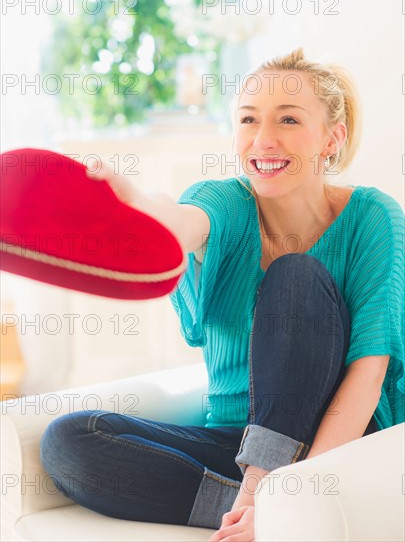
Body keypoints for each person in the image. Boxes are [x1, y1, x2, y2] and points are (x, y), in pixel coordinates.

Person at [40, 48, 404, 542]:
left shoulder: (373, 217)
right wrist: (140, 213)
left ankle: (271, 497)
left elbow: (370, 373)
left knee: (296, 274)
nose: (263, 139)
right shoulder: (227, 203)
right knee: (70, 442)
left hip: (335, 449)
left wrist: (294, 487)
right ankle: (257, 515)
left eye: (289, 119)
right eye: (248, 120)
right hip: (234, 440)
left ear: (331, 139)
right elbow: (183, 219)